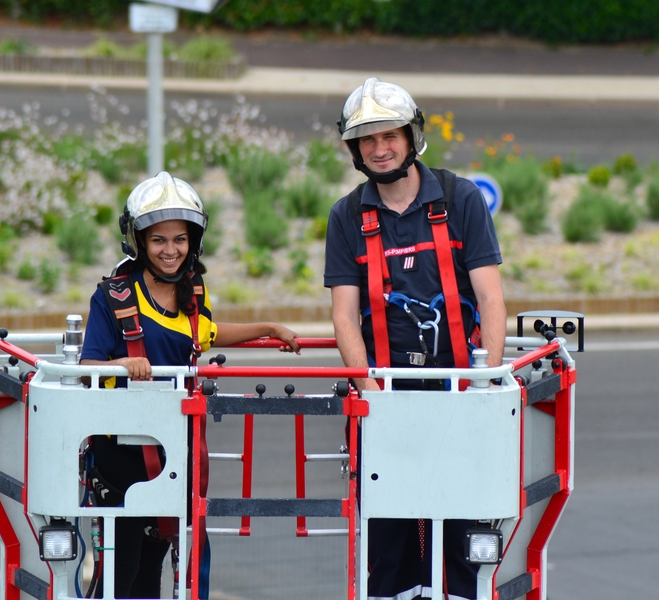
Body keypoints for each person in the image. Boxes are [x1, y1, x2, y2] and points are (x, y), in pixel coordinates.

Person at [324, 77, 506, 600]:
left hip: (457, 390)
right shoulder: (347, 216)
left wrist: (482, 384)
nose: (380, 149)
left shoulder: (459, 198)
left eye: (390, 136)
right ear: (355, 149)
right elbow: (344, 316)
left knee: (464, 536)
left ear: (411, 136)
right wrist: (371, 393)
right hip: (387, 396)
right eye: (367, 140)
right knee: (388, 541)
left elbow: (491, 299)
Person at [80, 171, 300, 599]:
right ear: (139, 241)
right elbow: (89, 365)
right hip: (122, 458)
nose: (170, 250)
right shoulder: (112, 296)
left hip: (171, 453)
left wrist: (270, 327)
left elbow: (208, 333)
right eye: (159, 239)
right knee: (119, 576)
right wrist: (124, 363)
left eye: (179, 239)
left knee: (153, 572)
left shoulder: (193, 290)